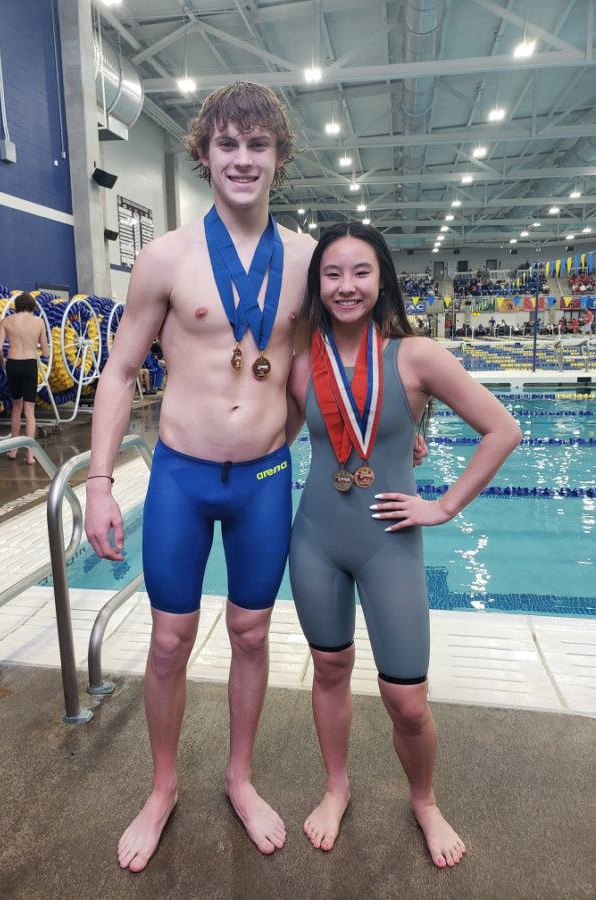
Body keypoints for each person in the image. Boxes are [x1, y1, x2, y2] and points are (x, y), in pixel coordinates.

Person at [83, 81, 317, 872]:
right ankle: (161, 787)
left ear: (278, 158)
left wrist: (390, 435)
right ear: (205, 154)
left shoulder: (308, 262)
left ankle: (240, 777)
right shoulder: (165, 257)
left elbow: (334, 368)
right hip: (182, 474)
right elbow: (117, 374)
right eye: (227, 144)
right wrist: (99, 484)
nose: (242, 159)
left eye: (258, 145)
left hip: (262, 480)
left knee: (251, 634)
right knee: (167, 641)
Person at [286, 222, 521, 867]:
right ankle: (337, 787)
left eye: (360, 272)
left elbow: (503, 430)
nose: (346, 286)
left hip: (390, 541)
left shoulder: (416, 356)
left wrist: (444, 505)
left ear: (382, 278)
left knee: (406, 700)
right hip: (314, 538)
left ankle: (424, 799)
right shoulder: (304, 365)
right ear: (318, 286)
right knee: (329, 669)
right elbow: (272, 435)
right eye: (332, 274)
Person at [0, 292, 49, 465]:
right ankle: (30, 454)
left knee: (16, 407)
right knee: (30, 410)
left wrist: (3, 362)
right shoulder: (39, 322)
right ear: (32, 306)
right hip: (29, 364)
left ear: (16, 306)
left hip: (13, 363)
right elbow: (46, 353)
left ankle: (13, 449)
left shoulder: (6, 321)